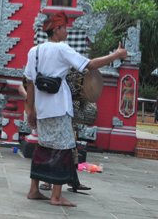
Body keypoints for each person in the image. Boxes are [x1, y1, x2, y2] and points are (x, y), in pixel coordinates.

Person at [24, 11, 128, 207]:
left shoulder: (34, 51)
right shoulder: (62, 49)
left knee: (43, 147)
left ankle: (34, 189)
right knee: (63, 149)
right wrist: (116, 55)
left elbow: (30, 82)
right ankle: (56, 196)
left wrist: (30, 109)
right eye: (65, 27)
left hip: (42, 108)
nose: (67, 31)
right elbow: (89, 65)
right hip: (59, 108)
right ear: (57, 29)